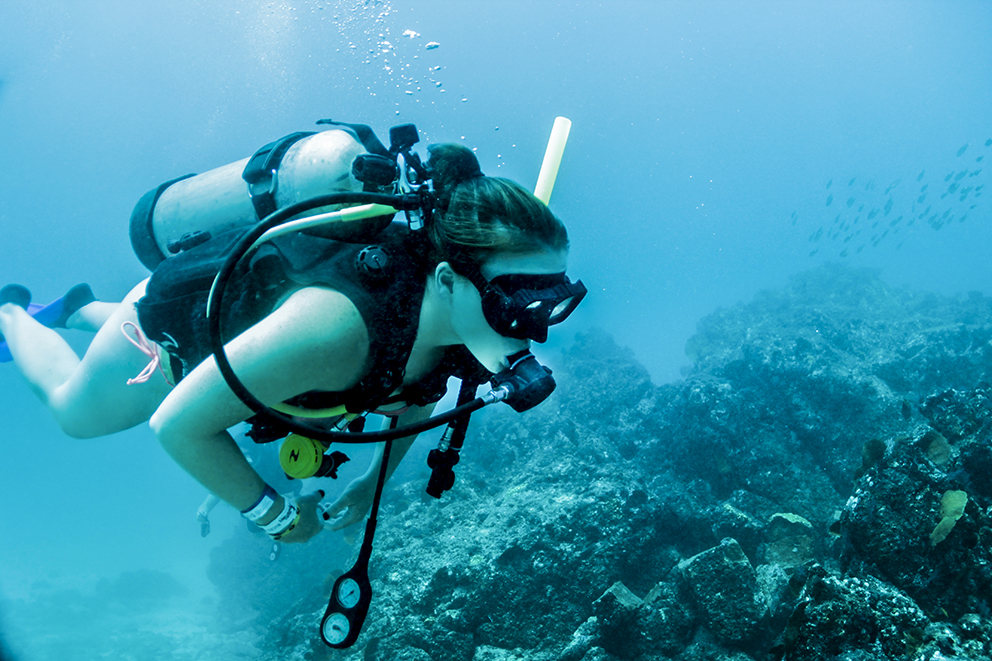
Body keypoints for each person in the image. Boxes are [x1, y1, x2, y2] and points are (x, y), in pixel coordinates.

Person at [0, 139, 584, 545]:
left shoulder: (461, 323)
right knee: (72, 413)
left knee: (124, 343)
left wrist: (370, 483)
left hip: (254, 338)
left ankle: (78, 308)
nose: (534, 323)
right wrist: (274, 515)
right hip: (169, 340)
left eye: (551, 296)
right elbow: (176, 427)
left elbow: (420, 386)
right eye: (519, 297)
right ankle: (11, 313)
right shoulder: (331, 330)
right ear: (448, 279)